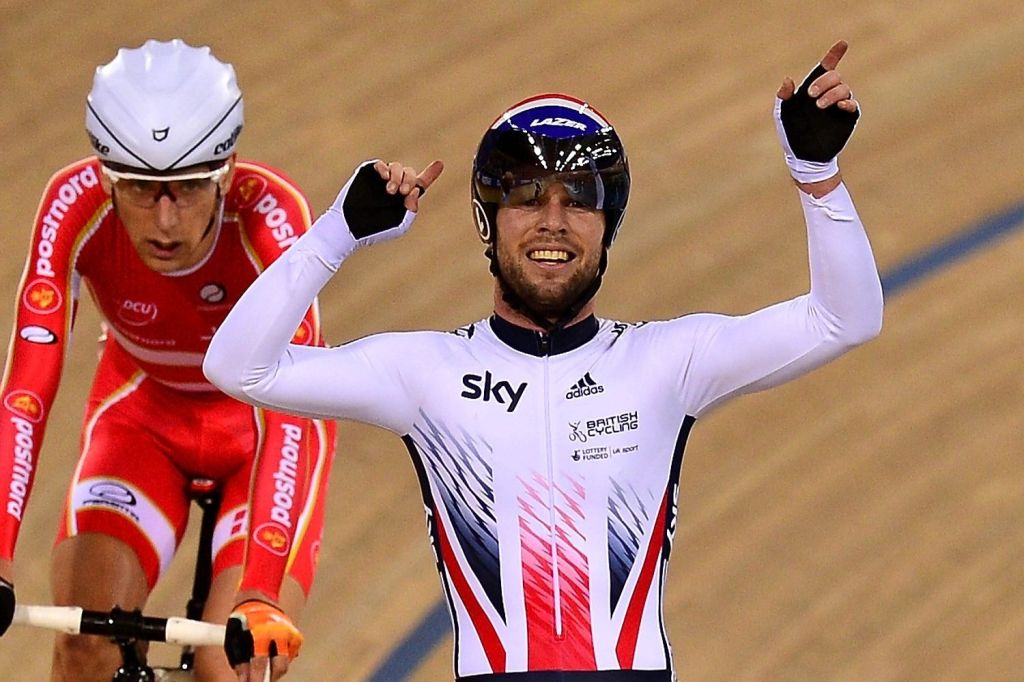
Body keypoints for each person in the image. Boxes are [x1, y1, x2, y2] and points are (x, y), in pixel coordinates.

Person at [205, 40, 882, 680]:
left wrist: (816, 176)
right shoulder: (424, 375)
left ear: (607, 224)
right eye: (527, 197)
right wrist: (339, 231)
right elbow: (237, 367)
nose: (552, 221)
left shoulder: (667, 362)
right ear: (486, 221)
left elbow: (845, 319)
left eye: (578, 200)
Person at [0, 39, 335, 681]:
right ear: (104, 176)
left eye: (185, 189)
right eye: (139, 189)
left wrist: (262, 587)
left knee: (229, 667)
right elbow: (26, 392)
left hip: (262, 437)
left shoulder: (271, 217)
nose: (163, 219)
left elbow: (293, 415)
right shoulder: (74, 205)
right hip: (141, 418)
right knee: (83, 647)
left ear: (225, 172)